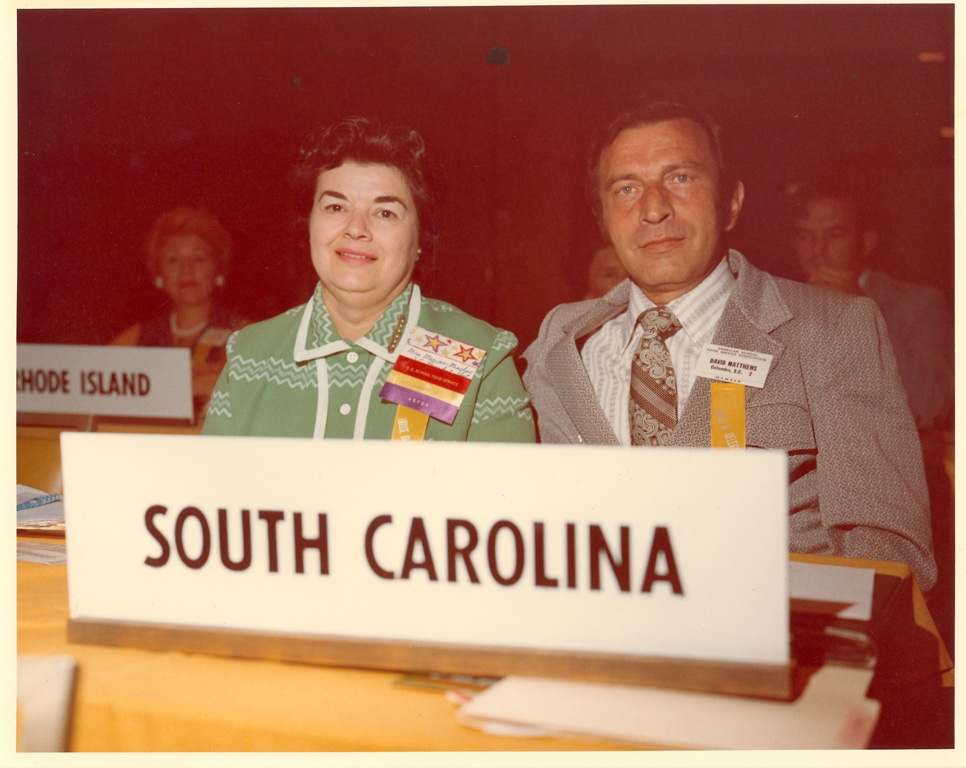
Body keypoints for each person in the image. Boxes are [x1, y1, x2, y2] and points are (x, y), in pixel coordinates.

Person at [522, 101, 935, 591]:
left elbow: (892, 557)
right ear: (603, 217)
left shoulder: (830, 329)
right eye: (626, 188)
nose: (653, 210)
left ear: (731, 203)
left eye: (681, 178)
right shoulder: (560, 343)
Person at [203, 117, 535, 442]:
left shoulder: (480, 357)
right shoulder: (248, 356)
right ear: (309, 224)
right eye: (335, 208)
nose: (356, 228)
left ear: (421, 238)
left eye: (385, 213)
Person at [788, 173, 953, 431]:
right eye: (805, 236)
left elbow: (934, 407)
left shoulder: (920, 304)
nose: (817, 250)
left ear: (866, 242)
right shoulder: (781, 306)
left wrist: (864, 316)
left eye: (834, 235)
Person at [112, 207, 248, 420]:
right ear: (158, 274)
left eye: (199, 258)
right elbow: (96, 389)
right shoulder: (136, 337)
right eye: (173, 259)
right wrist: (188, 384)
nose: (186, 269)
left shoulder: (245, 334)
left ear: (218, 269)